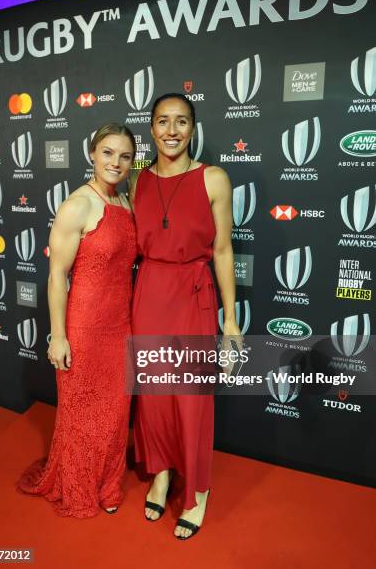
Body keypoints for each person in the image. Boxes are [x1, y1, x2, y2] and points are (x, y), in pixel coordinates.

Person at [130, 94, 242, 539]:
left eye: (181, 122)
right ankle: (161, 472)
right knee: (154, 395)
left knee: (191, 397)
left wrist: (230, 320)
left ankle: (196, 490)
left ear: (193, 128)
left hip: (194, 293)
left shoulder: (214, 178)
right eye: (162, 122)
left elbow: (223, 249)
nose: (171, 130)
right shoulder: (138, 180)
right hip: (149, 293)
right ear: (151, 129)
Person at [17, 123, 137, 517]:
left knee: (116, 413)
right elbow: (56, 276)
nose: (115, 162)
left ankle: (107, 484)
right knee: (83, 414)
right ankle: (79, 486)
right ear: (92, 153)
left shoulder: (126, 203)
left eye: (124, 156)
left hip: (120, 327)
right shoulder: (77, 205)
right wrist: (58, 337)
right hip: (83, 327)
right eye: (107, 152)